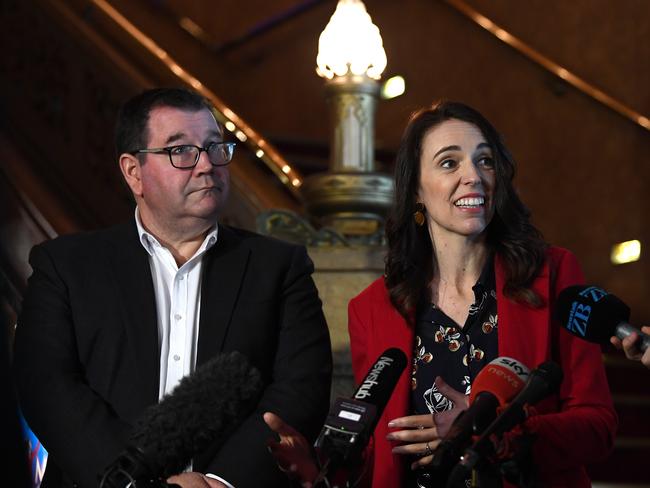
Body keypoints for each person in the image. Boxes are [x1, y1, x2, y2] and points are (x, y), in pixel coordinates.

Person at [13, 87, 332, 488]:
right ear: (134, 172)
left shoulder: (279, 268)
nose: (206, 166)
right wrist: (131, 482)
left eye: (215, 148)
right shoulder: (66, 266)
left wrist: (219, 481)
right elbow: (46, 385)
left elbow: (301, 388)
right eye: (181, 151)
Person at [347, 101, 617, 487]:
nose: (473, 175)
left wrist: (490, 433)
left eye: (485, 160)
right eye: (448, 162)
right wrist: (321, 468)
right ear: (416, 191)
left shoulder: (554, 274)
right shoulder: (371, 308)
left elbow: (597, 426)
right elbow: (380, 453)